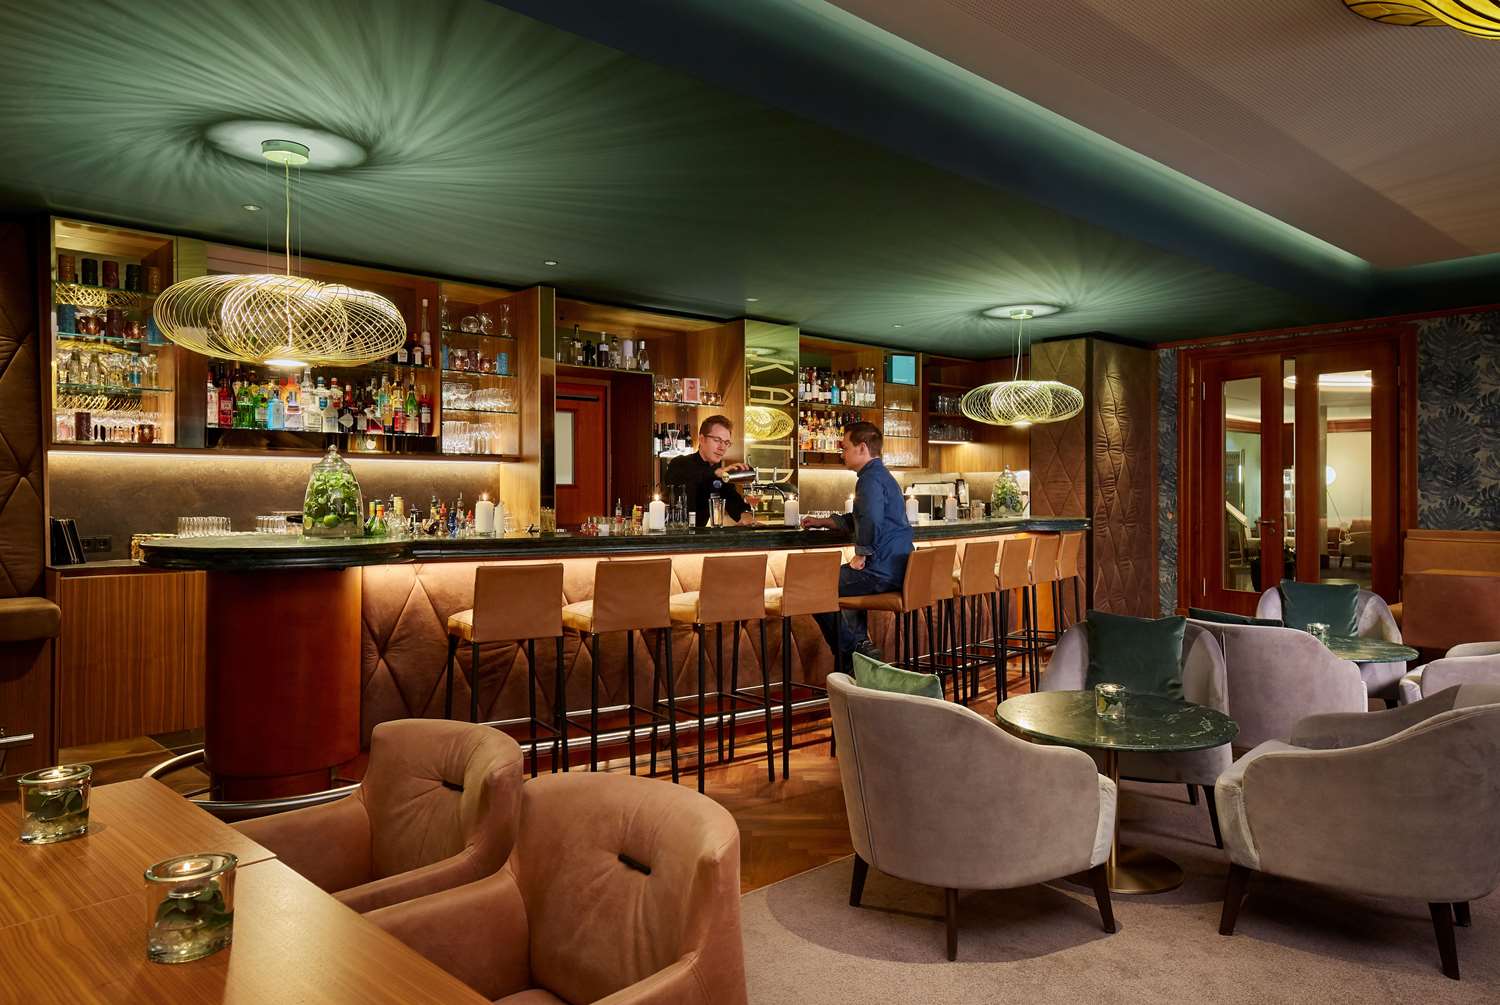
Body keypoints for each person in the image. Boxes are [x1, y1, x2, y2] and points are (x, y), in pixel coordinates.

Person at [801, 421, 913, 664]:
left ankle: (853, 653)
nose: (842, 453)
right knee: (845, 583)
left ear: (862, 448)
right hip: (898, 569)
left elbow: (871, 519)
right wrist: (826, 521)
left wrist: (862, 552)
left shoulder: (869, 479)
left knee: (812, 586)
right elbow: (863, 517)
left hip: (880, 570)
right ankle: (861, 647)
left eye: (845, 448)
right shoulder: (883, 476)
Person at [663, 414, 758, 528]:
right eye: (717, 440)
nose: (722, 447)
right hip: (673, 534)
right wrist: (715, 473)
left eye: (726, 443)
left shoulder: (720, 471)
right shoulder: (680, 463)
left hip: (700, 536)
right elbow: (688, 478)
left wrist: (745, 515)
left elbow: (731, 497)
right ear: (702, 439)